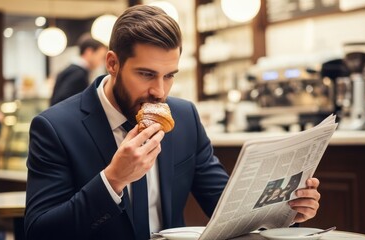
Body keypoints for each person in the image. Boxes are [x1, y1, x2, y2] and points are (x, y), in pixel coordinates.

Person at [24, 5, 321, 240]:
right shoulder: (55, 127)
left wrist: (284, 211)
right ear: (112, 63)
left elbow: (225, 207)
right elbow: (40, 231)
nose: (160, 91)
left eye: (169, 75)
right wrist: (112, 180)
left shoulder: (184, 118)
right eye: (146, 74)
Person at [49, 35, 107, 106]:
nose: (101, 62)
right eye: (101, 57)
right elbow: (62, 100)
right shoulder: (78, 74)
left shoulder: (74, 70)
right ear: (89, 52)